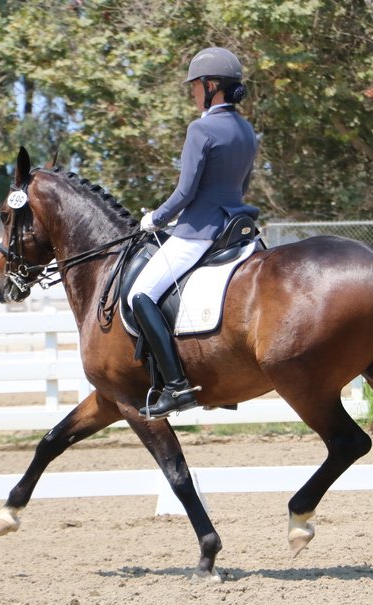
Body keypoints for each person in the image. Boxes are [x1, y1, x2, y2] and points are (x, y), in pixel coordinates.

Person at [129, 47, 260, 419]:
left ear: (211, 86)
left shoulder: (201, 129)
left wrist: (155, 218)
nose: (192, 93)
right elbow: (241, 185)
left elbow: (186, 192)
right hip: (236, 231)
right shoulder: (247, 130)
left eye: (195, 86)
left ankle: (176, 386)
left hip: (199, 232)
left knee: (141, 295)